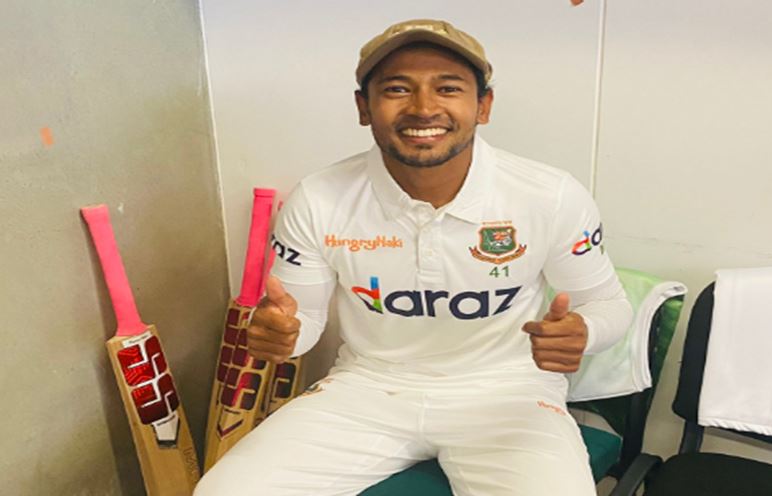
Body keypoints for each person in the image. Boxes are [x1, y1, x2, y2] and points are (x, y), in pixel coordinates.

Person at [195, 18, 632, 496]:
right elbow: (304, 322)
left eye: (448, 88)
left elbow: (608, 306)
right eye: (397, 89)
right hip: (368, 388)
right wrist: (282, 337)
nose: (424, 108)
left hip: (508, 392)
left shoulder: (549, 195)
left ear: (483, 106)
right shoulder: (318, 197)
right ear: (364, 107)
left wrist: (584, 333)